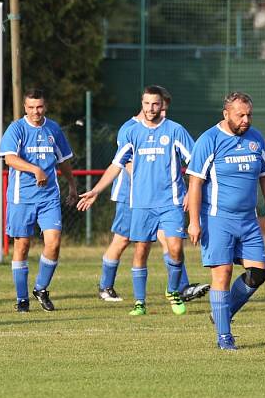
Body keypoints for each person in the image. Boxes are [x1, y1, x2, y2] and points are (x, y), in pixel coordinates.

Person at [78, 85, 194, 316]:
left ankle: (173, 291)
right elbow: (116, 164)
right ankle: (139, 302)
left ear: (162, 106)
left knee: (176, 248)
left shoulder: (175, 130)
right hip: (141, 203)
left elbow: (194, 162)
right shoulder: (132, 132)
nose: (151, 108)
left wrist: (191, 192)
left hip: (170, 202)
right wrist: (96, 190)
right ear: (141, 105)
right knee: (140, 250)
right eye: (147, 104)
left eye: (155, 104)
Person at [98, 86, 209, 303]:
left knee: (170, 241)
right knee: (122, 240)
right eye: (154, 106)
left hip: (161, 199)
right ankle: (105, 286)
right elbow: (127, 165)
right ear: (143, 104)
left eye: (162, 107)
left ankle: (180, 288)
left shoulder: (169, 129)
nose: (160, 112)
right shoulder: (129, 129)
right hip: (129, 195)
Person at [186, 92, 265, 350]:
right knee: (222, 274)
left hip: (248, 220)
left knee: (258, 272)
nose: (246, 120)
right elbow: (195, 183)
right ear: (226, 114)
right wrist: (194, 221)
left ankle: (221, 314)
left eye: (249, 114)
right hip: (217, 219)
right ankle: (224, 338)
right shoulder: (209, 139)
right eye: (240, 115)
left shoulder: (255, 138)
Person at [0, 88, 78, 312]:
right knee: (22, 246)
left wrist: (72, 186)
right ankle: (22, 299)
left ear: (45, 106)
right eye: (31, 107)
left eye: (39, 107)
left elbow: (63, 161)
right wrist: (35, 169)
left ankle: (41, 288)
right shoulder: (16, 129)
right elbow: (10, 159)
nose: (36, 111)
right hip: (21, 197)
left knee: (53, 244)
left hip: (49, 197)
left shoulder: (53, 129)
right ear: (25, 108)